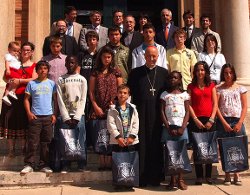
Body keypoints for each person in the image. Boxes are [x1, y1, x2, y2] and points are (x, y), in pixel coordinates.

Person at [128, 46, 169, 187]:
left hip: (158, 115)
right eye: (149, 56)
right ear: (144, 56)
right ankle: (142, 177)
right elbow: (129, 94)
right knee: (142, 145)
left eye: (154, 56)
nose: (152, 59)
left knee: (156, 146)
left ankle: (156, 177)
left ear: (158, 56)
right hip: (140, 114)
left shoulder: (164, 73)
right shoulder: (135, 73)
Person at [0, 42, 37, 157]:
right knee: (9, 120)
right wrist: (10, 80)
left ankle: (22, 149)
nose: (25, 52)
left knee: (22, 122)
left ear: (31, 52)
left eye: (28, 50)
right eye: (23, 50)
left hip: (24, 96)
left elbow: (34, 79)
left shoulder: (34, 65)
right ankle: (11, 150)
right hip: (10, 95)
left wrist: (20, 81)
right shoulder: (14, 62)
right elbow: (5, 77)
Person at [89, 46, 123, 170]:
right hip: (98, 108)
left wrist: (115, 104)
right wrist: (95, 107)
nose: (106, 59)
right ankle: (102, 163)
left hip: (112, 108)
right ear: (100, 58)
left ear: (112, 58)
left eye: (109, 57)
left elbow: (121, 91)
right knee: (100, 134)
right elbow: (91, 92)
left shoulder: (116, 72)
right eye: (104, 57)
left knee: (111, 135)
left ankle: (109, 163)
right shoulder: (95, 72)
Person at [20, 60, 57, 174]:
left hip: (48, 117)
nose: (43, 70)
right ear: (36, 70)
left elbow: (55, 100)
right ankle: (29, 164)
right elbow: (26, 99)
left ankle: (44, 164)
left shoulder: (52, 84)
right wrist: (29, 113)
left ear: (48, 70)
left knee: (46, 142)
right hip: (35, 117)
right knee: (33, 142)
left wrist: (54, 114)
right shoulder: (32, 84)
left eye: (45, 68)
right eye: (40, 68)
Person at [216, 64, 247, 186]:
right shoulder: (219, 89)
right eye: (225, 73)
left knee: (239, 147)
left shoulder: (240, 88)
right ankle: (227, 174)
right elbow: (217, 107)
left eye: (230, 73)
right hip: (224, 121)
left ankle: (237, 174)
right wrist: (223, 122)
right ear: (223, 74)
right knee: (225, 148)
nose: (228, 75)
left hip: (237, 120)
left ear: (233, 73)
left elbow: (244, 106)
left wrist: (240, 122)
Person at [187, 61, 217, 185]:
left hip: (209, 119)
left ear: (206, 71)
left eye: (203, 70)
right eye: (198, 70)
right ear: (195, 72)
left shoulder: (212, 85)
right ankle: (199, 176)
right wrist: (195, 119)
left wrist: (211, 119)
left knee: (209, 147)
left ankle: (208, 175)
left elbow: (215, 104)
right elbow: (188, 104)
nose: (200, 72)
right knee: (197, 147)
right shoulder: (190, 86)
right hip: (196, 120)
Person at [57, 55, 88, 172]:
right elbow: (60, 99)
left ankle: (82, 163)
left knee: (80, 139)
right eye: (68, 63)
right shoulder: (61, 79)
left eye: (73, 63)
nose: (70, 65)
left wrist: (77, 117)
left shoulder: (82, 79)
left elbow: (83, 99)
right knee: (66, 140)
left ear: (77, 64)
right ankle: (66, 164)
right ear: (65, 64)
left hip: (79, 116)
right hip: (65, 116)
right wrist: (65, 116)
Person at [160, 71, 190, 190]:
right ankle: (172, 180)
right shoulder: (164, 95)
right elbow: (162, 111)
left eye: (175, 78)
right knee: (170, 153)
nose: (173, 79)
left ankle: (180, 179)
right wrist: (167, 126)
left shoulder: (185, 95)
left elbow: (187, 111)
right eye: (171, 77)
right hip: (168, 128)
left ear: (180, 80)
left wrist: (183, 127)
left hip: (181, 128)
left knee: (181, 153)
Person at [107, 84, 139, 191]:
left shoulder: (133, 108)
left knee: (130, 161)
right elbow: (111, 124)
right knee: (118, 162)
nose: (122, 95)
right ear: (117, 94)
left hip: (130, 141)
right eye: (120, 92)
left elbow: (136, 123)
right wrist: (118, 137)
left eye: (125, 93)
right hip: (118, 141)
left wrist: (132, 136)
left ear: (128, 95)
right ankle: (119, 182)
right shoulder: (112, 109)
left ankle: (129, 182)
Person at [2, 41, 21, 106]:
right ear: (9, 49)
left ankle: (6, 96)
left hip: (15, 71)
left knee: (10, 84)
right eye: (14, 50)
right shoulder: (9, 55)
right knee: (16, 81)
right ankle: (12, 92)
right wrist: (7, 69)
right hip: (12, 70)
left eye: (17, 51)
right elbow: (7, 62)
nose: (16, 52)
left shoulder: (15, 57)